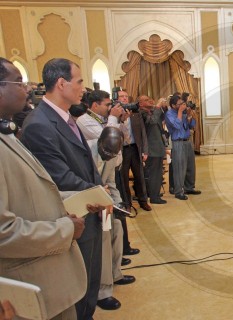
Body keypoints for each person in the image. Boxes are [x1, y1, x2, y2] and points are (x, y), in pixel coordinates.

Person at [0, 57, 87, 319]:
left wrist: (82, 197)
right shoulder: (37, 124)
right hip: (28, 283)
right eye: (18, 81)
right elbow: (4, 232)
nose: (26, 88)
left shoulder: (8, 134)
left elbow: (34, 192)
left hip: (48, 279)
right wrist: (65, 228)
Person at [20, 58, 103, 320]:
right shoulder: (39, 125)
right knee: (78, 289)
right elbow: (61, 178)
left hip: (89, 210)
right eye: (79, 82)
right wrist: (99, 193)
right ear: (61, 83)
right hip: (73, 216)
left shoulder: (65, 117)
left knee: (90, 283)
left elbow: (84, 162)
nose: (83, 88)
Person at [75, 90, 136, 311]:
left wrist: (118, 204)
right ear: (100, 145)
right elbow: (88, 184)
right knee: (102, 242)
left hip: (108, 204)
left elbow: (111, 182)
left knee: (117, 229)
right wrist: (103, 202)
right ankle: (103, 290)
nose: (110, 155)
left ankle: (116, 272)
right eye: (108, 152)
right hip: (92, 206)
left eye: (114, 153)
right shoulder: (88, 153)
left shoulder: (113, 155)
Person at [117, 90, 152, 212]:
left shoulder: (135, 113)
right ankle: (127, 203)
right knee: (123, 178)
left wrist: (145, 151)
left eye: (126, 96)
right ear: (117, 99)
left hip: (135, 148)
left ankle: (143, 201)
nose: (125, 99)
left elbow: (143, 132)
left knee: (140, 176)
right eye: (122, 96)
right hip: (122, 150)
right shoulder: (114, 115)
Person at [165, 94, 201, 200]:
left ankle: (189, 187)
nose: (182, 106)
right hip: (178, 142)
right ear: (173, 105)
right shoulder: (169, 114)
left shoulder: (184, 113)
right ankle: (178, 191)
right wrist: (180, 112)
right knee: (179, 167)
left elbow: (190, 126)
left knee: (190, 166)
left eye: (183, 104)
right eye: (179, 104)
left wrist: (190, 116)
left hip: (187, 141)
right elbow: (176, 126)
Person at [139, 95, 167, 204]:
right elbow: (152, 121)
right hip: (151, 149)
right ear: (140, 104)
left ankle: (155, 193)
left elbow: (161, 119)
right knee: (154, 173)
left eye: (150, 98)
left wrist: (162, 108)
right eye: (146, 100)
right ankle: (154, 197)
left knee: (158, 173)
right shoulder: (142, 113)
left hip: (158, 147)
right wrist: (157, 107)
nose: (150, 100)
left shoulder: (152, 111)